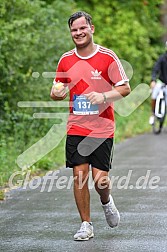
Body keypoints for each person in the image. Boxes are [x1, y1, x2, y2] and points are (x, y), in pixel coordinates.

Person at [50, 11, 131, 241]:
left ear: (91, 29)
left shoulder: (107, 57)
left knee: (100, 180)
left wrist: (104, 96)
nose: (78, 33)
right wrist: (57, 93)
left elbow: (125, 88)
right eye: (74, 30)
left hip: (103, 128)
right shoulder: (66, 59)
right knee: (79, 175)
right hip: (77, 127)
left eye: (82, 28)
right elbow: (57, 90)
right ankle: (86, 224)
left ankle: (106, 201)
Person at [149, 42, 167, 125]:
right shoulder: (162, 58)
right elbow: (155, 69)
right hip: (161, 81)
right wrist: (153, 80)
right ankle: (152, 114)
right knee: (154, 95)